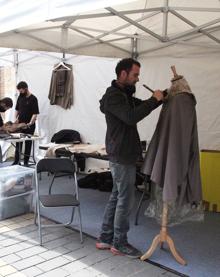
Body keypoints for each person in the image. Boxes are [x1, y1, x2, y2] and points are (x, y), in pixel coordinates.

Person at [96, 58, 164, 258]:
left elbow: (141, 106)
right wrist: (155, 100)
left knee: (117, 196)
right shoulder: (114, 97)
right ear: (123, 74)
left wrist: (163, 96)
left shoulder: (124, 95)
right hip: (121, 155)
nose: (137, 79)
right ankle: (119, 242)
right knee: (125, 199)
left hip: (123, 153)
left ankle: (105, 238)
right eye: (135, 75)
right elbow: (131, 116)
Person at [12, 81, 39, 166]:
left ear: (26, 89)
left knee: (28, 143)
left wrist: (30, 123)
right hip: (19, 124)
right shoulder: (20, 97)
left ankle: (26, 162)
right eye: (19, 91)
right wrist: (16, 119)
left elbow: (35, 113)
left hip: (29, 125)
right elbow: (17, 109)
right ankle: (16, 161)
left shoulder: (33, 99)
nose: (20, 92)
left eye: (21, 90)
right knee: (18, 142)